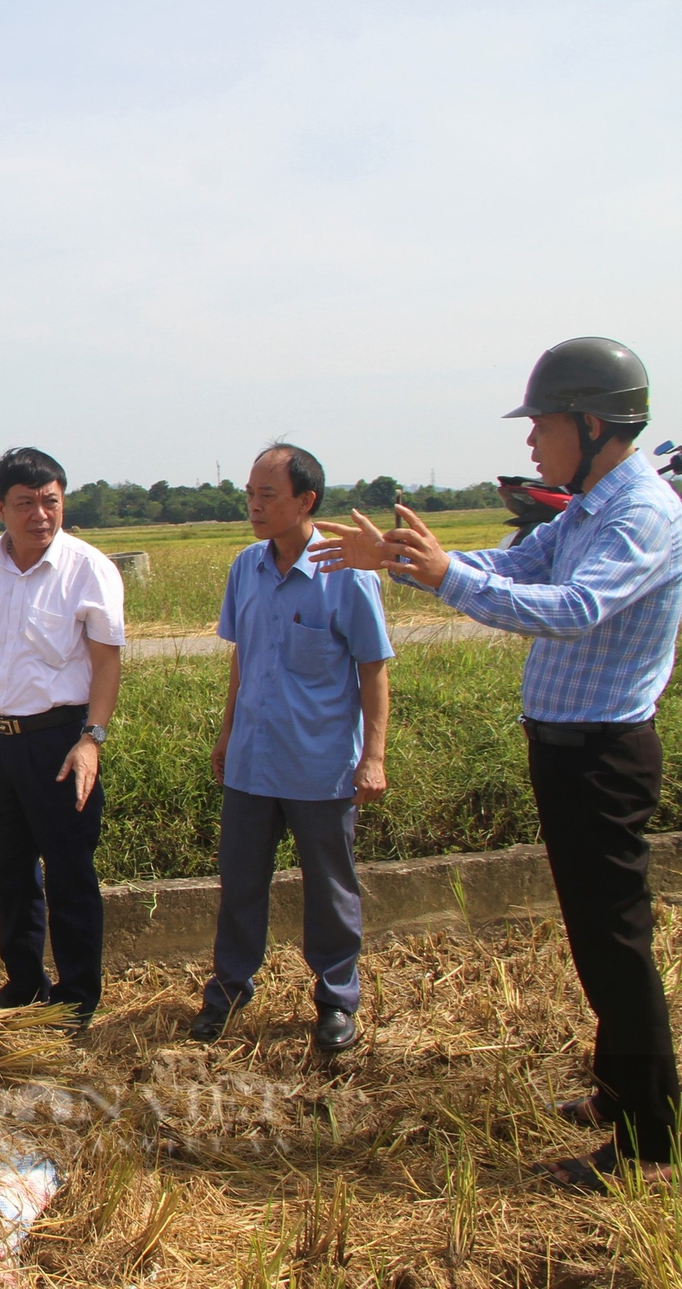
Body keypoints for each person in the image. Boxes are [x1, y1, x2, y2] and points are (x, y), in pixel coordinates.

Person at [316, 336, 679, 1186]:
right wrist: (406, 563)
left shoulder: (643, 514)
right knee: (596, 937)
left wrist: (444, 578)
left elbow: (573, 607)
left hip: (602, 757)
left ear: (591, 424)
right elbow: (515, 566)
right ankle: (620, 1093)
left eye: (542, 424)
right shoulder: (589, 507)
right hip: (566, 750)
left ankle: (651, 1142)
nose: (530, 443)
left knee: (615, 943)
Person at [190, 445, 391, 1053]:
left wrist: (374, 756)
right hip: (253, 759)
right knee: (240, 880)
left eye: (267, 495)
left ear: (306, 502)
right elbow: (242, 660)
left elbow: (374, 669)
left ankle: (335, 1000)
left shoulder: (348, 573)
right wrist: (226, 733)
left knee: (330, 887)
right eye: (250, 493)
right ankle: (229, 989)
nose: (254, 505)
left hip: (320, 764)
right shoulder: (245, 568)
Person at [0, 447, 124, 1026]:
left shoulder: (87, 567)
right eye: (25, 503)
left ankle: (76, 997)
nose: (40, 514)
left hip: (61, 740)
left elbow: (107, 662)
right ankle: (23, 982)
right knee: (10, 869)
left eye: (51, 501)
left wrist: (92, 738)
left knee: (70, 870)